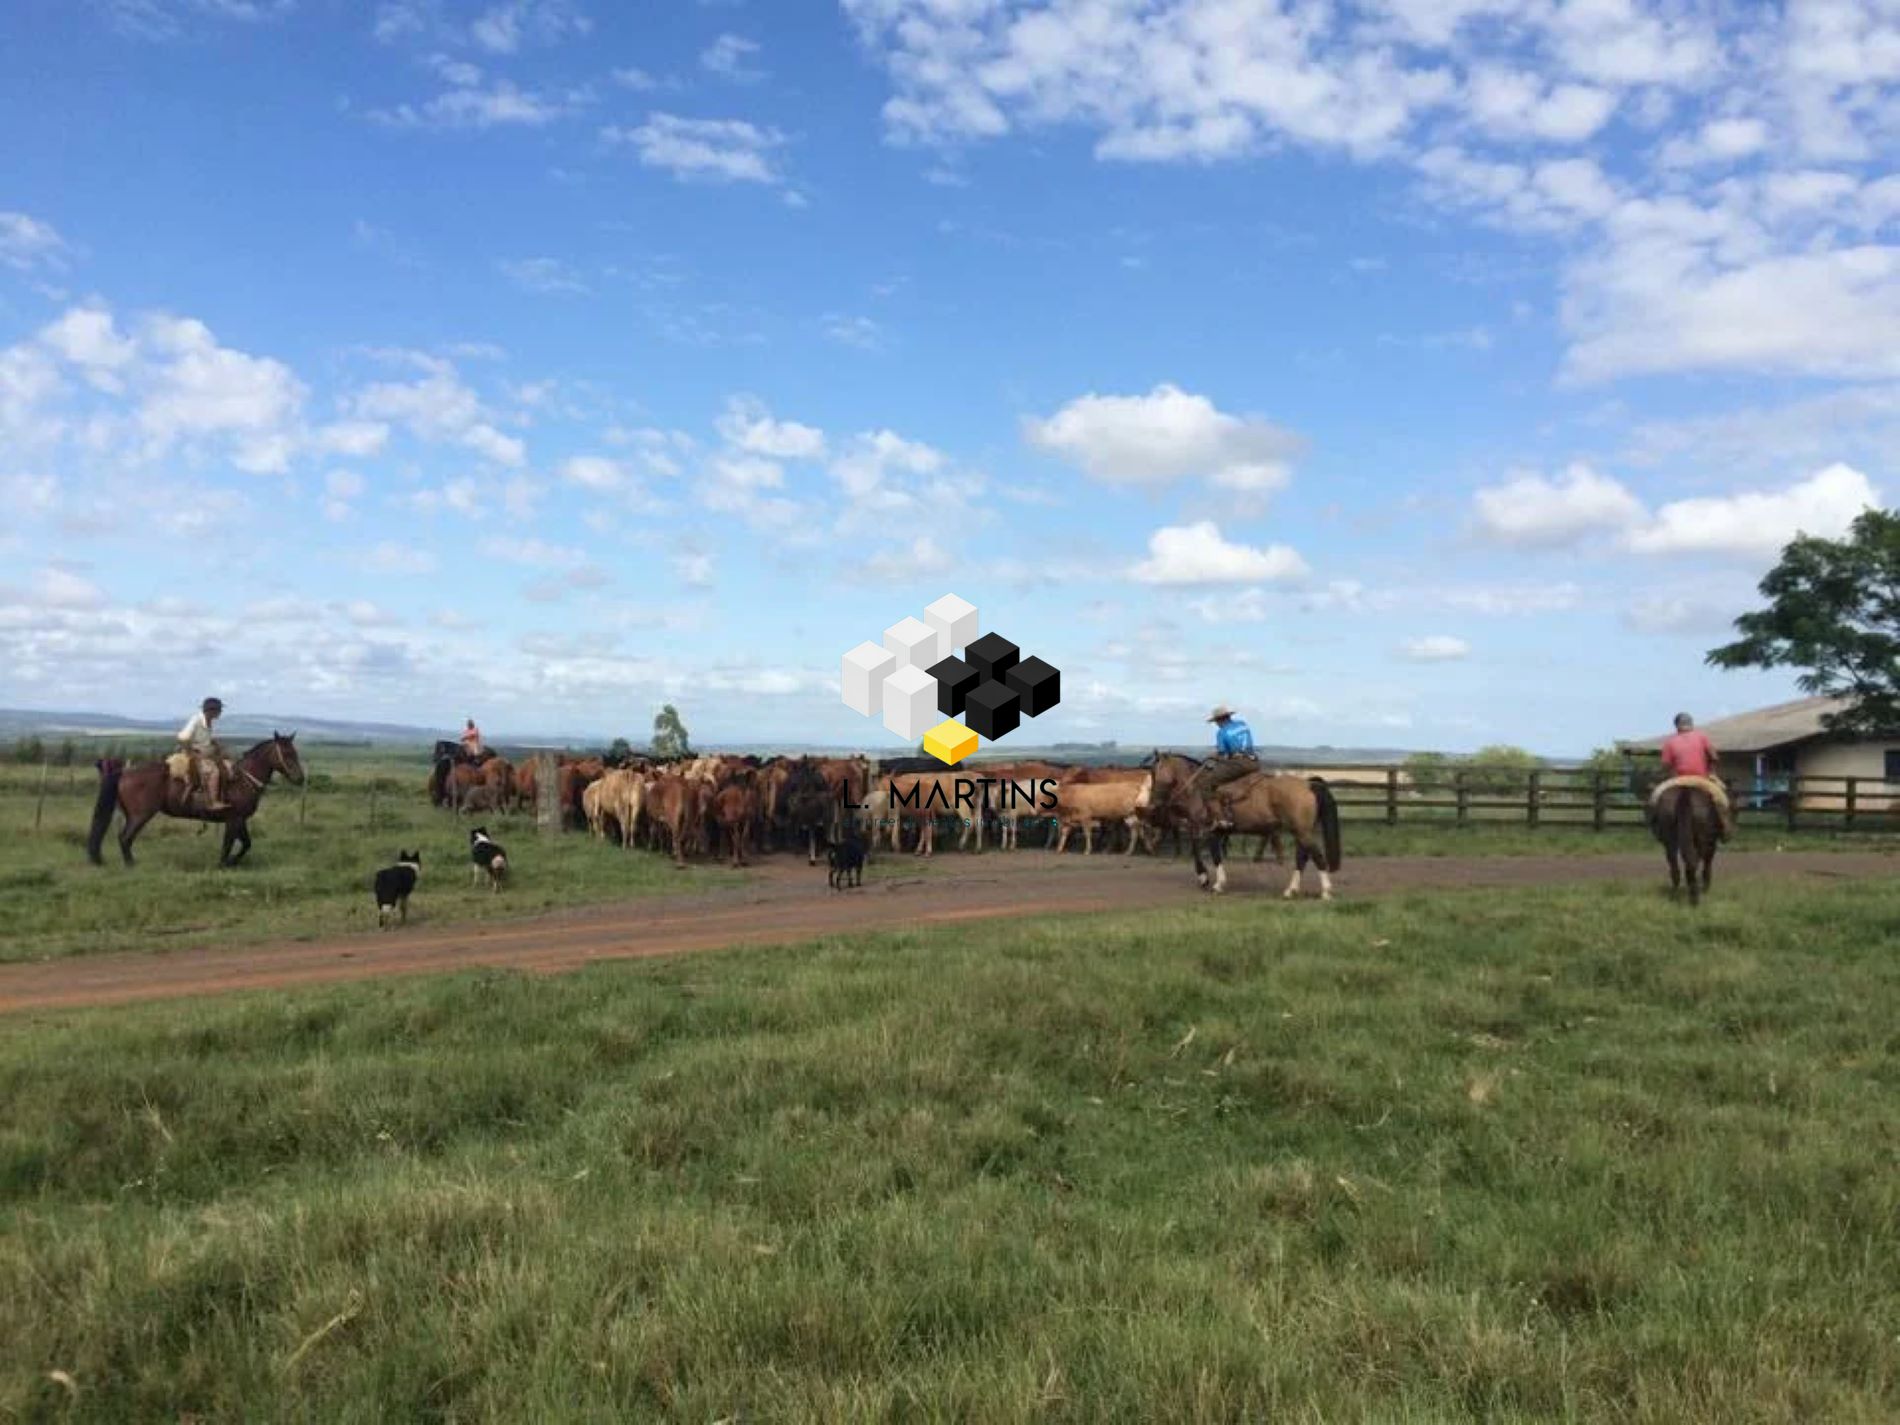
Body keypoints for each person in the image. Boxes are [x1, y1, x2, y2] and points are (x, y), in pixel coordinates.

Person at [1656, 711, 1732, 840]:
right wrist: (1712, 772)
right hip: (1701, 779)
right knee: (1722, 799)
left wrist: (1667, 774)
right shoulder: (1702, 737)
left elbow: (1666, 765)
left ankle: (1658, 829)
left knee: (1655, 798)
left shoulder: (1670, 742)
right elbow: (1713, 757)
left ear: (1677, 726)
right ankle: (1725, 826)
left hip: (1677, 780)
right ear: (1691, 724)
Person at [1189, 704, 1262, 822]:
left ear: (1220, 719)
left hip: (1238, 764)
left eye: (1217, 722)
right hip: (1253, 761)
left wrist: (1211, 757)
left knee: (1205, 783)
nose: (1217, 724)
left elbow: (1222, 753)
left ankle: (1220, 818)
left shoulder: (1222, 732)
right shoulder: (1242, 725)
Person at [177, 696, 228, 810]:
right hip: (193, 753)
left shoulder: (208, 721)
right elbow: (183, 738)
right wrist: (192, 752)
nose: (220, 712)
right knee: (213, 772)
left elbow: (203, 739)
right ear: (211, 711)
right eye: (219, 710)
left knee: (226, 766)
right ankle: (212, 802)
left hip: (205, 753)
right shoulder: (196, 720)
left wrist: (215, 744)